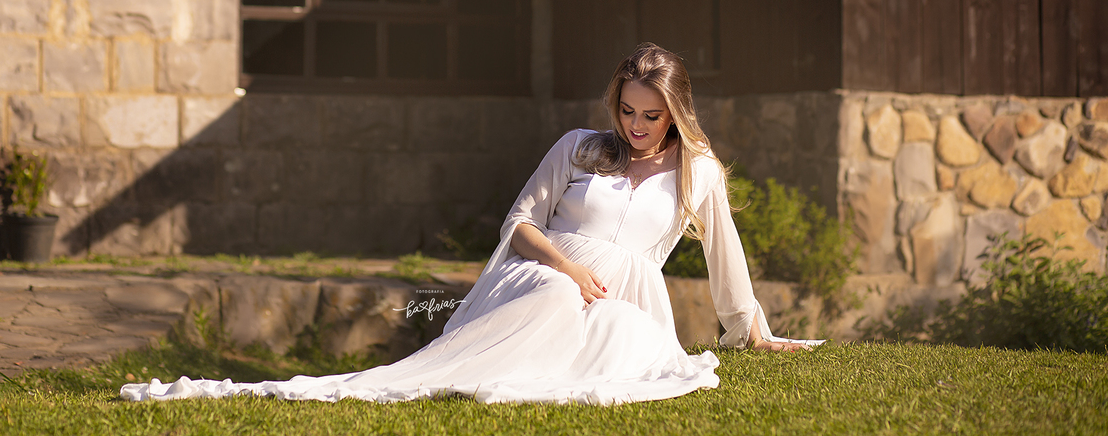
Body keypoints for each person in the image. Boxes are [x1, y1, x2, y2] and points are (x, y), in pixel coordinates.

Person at [121, 43, 819, 405]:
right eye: (627, 111)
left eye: (651, 114)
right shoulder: (580, 147)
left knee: (626, 350)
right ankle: (433, 373)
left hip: (626, 300)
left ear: (675, 110)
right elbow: (521, 219)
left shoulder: (697, 170)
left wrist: (751, 330)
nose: (635, 127)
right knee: (550, 299)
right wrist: (568, 268)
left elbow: (725, 256)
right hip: (545, 271)